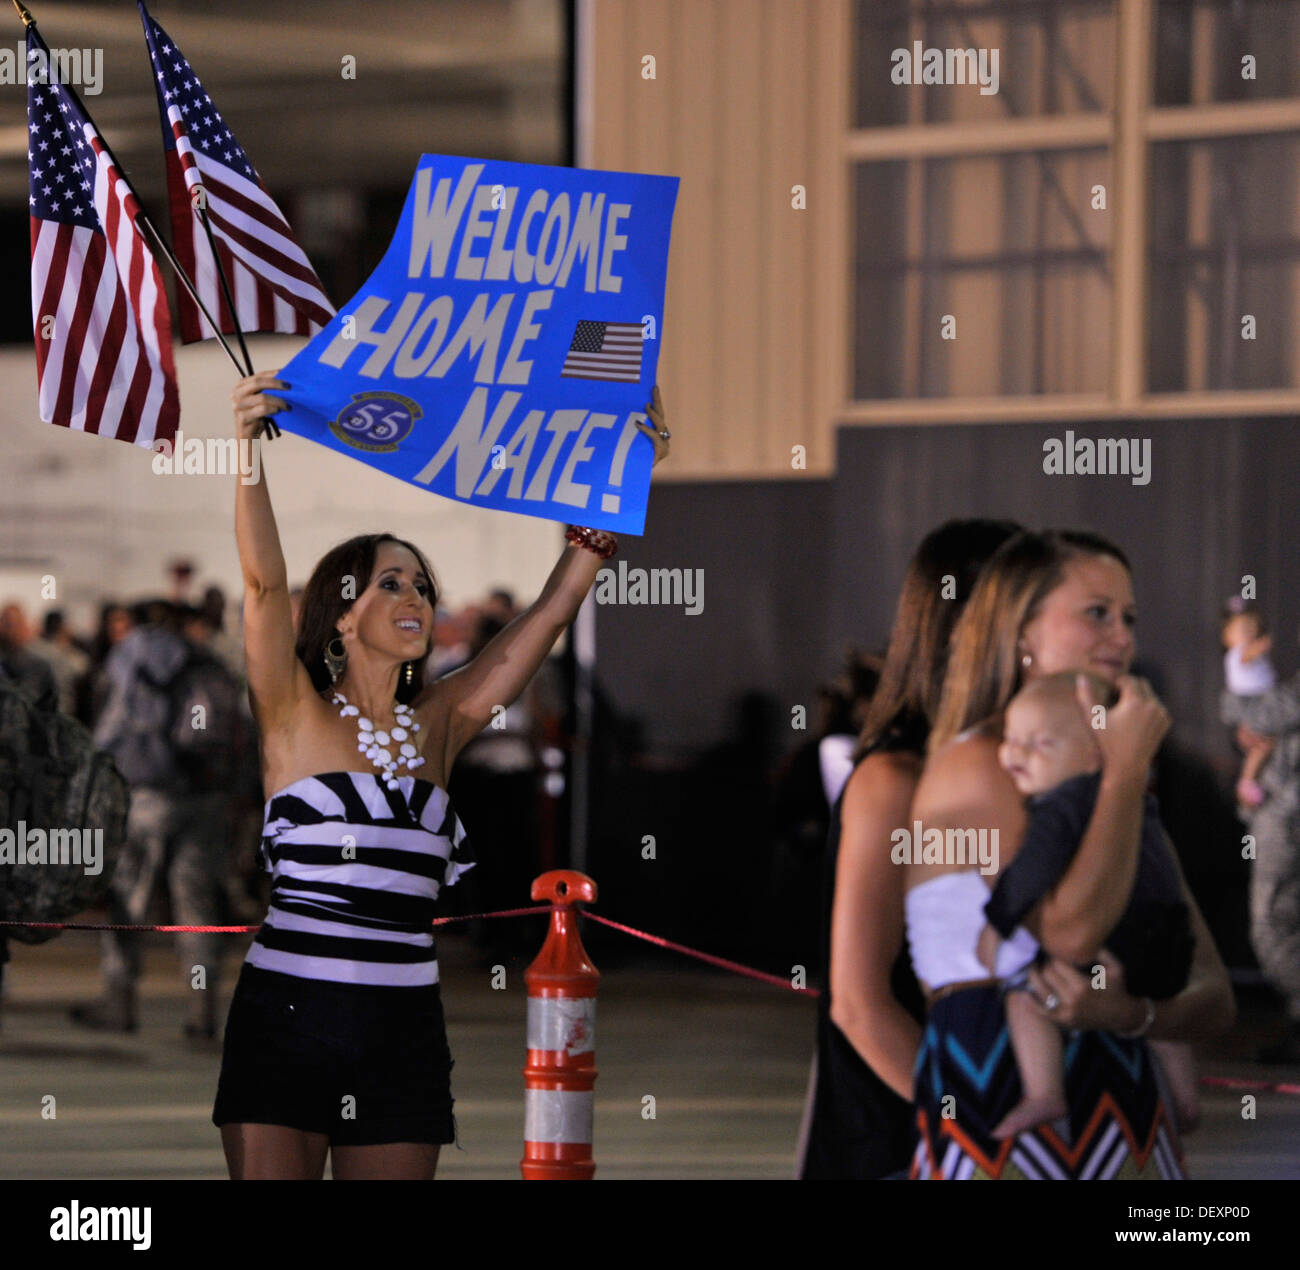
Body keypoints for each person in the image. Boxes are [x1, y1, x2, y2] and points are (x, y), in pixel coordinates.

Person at [213, 370, 670, 1180]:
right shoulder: (292, 711)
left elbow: (552, 613)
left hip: (403, 1025)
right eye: (389, 582)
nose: (414, 594)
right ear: (341, 614)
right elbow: (259, 586)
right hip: (286, 1017)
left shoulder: (444, 724)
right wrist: (245, 450)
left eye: (421, 582)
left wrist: (621, 481)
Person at [906, 529, 1235, 1179]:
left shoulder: (1112, 774)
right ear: (1022, 631)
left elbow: (1213, 995)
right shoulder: (983, 764)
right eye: (1097, 613)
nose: (1123, 637)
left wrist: (1134, 1015)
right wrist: (1121, 779)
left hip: (1125, 1103)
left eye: (1129, 618)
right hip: (997, 1093)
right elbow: (1069, 934)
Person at [797, 518, 1021, 1179]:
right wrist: (984, 1140)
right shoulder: (896, 777)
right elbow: (862, 1006)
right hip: (904, 1143)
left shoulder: (1022, 764)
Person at [974, 671, 1198, 1139]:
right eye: (1011, 739)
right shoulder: (1137, 800)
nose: (1014, 754)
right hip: (1169, 940)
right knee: (1159, 1005)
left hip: (1114, 941)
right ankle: (1185, 1097)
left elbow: (1033, 870)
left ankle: (1044, 1093)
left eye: (1039, 744)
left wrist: (997, 925)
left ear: (1096, 755)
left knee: (1023, 997)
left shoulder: (1063, 803)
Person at [70, 599, 240, 1042]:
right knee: (197, 909)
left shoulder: (132, 654)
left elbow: (112, 724)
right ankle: (201, 1012)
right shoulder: (208, 659)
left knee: (130, 902)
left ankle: (119, 1002)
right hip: (203, 797)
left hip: (144, 795)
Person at [1220, 622, 1300, 1064]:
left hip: (1287, 821)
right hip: (1283, 816)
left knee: (1271, 929)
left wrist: (1236, 657)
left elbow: (1258, 717)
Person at [1220, 597, 1276, 812]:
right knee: (1261, 746)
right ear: (1227, 637)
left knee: (1265, 746)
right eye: (1243, 628)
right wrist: (1263, 644)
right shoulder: (1238, 654)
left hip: (1264, 706)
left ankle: (1250, 782)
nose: (1250, 632)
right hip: (1253, 709)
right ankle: (1247, 782)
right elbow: (1248, 653)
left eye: (1253, 626)